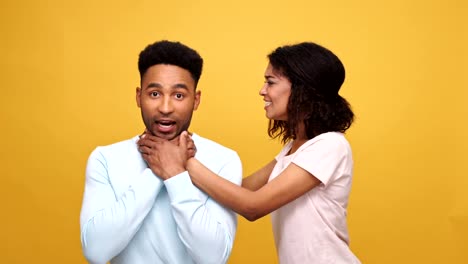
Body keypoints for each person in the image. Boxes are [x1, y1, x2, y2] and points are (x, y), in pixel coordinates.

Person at [139, 42, 361, 263]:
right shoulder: (295, 148)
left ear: (302, 89)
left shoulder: (330, 146)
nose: (262, 91)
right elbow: (239, 189)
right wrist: (188, 156)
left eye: (270, 82)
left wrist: (184, 163)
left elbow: (253, 206)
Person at [79, 40, 242, 264]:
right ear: (139, 96)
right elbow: (96, 251)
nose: (165, 108)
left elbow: (213, 258)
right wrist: (158, 171)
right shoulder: (105, 158)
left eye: (178, 96)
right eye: (155, 94)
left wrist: (176, 174)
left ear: (196, 100)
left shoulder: (224, 160)